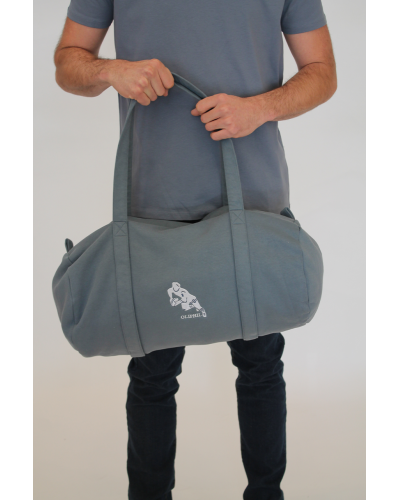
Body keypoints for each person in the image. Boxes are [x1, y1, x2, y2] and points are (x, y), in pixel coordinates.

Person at [54, 0, 337, 498]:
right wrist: (111, 71)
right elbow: (68, 63)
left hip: (255, 203)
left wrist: (259, 108)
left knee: (260, 367)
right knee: (153, 375)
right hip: (151, 207)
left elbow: (322, 72)